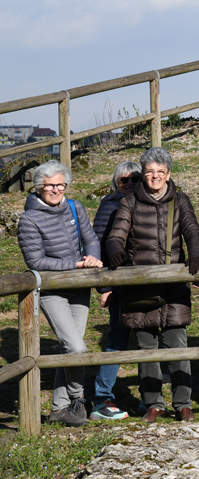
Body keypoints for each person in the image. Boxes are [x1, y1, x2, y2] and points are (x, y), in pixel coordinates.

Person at [107, 147, 199, 423]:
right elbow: (117, 234)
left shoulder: (181, 200)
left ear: (168, 174)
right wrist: (115, 249)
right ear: (143, 174)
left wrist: (196, 253)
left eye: (160, 172)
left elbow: (192, 230)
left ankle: (183, 403)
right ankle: (153, 403)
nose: (155, 176)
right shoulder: (130, 203)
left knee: (177, 344)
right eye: (149, 171)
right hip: (140, 286)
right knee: (145, 347)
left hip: (173, 285)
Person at [17, 161, 103, 427]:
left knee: (70, 348)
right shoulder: (29, 219)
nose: (55, 189)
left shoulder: (75, 207)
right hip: (53, 291)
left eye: (60, 184)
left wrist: (93, 258)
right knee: (77, 347)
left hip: (79, 289)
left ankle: (60, 408)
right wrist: (74, 264)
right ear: (39, 187)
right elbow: (35, 261)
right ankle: (78, 396)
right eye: (50, 185)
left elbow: (91, 238)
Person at [89, 161, 140, 421]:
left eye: (135, 179)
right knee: (117, 340)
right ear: (116, 183)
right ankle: (102, 398)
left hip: (142, 281)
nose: (130, 184)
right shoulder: (109, 205)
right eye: (124, 180)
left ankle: (150, 397)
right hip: (118, 282)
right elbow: (98, 244)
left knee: (146, 339)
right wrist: (105, 286)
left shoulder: (145, 202)